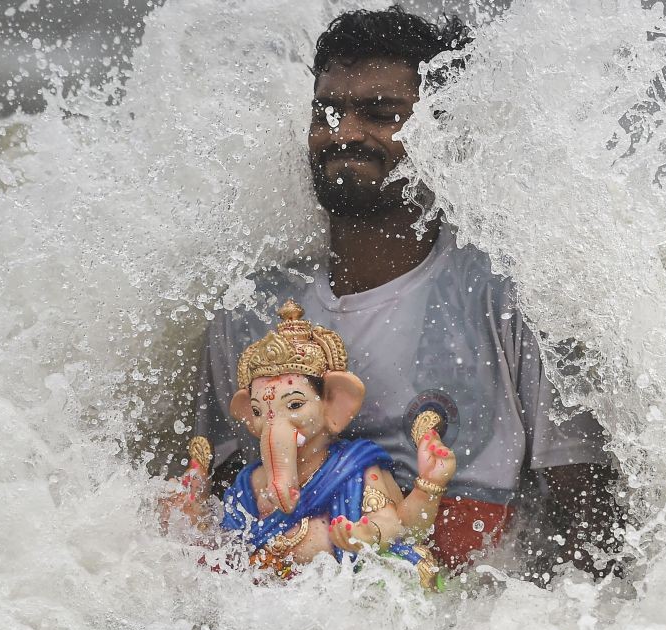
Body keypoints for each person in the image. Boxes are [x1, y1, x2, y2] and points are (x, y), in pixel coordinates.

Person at [191, 6, 622, 577]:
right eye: (328, 112)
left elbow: (591, 527)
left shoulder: (513, 297)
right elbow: (214, 512)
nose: (343, 132)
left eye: (379, 113)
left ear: (437, 132)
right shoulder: (249, 313)